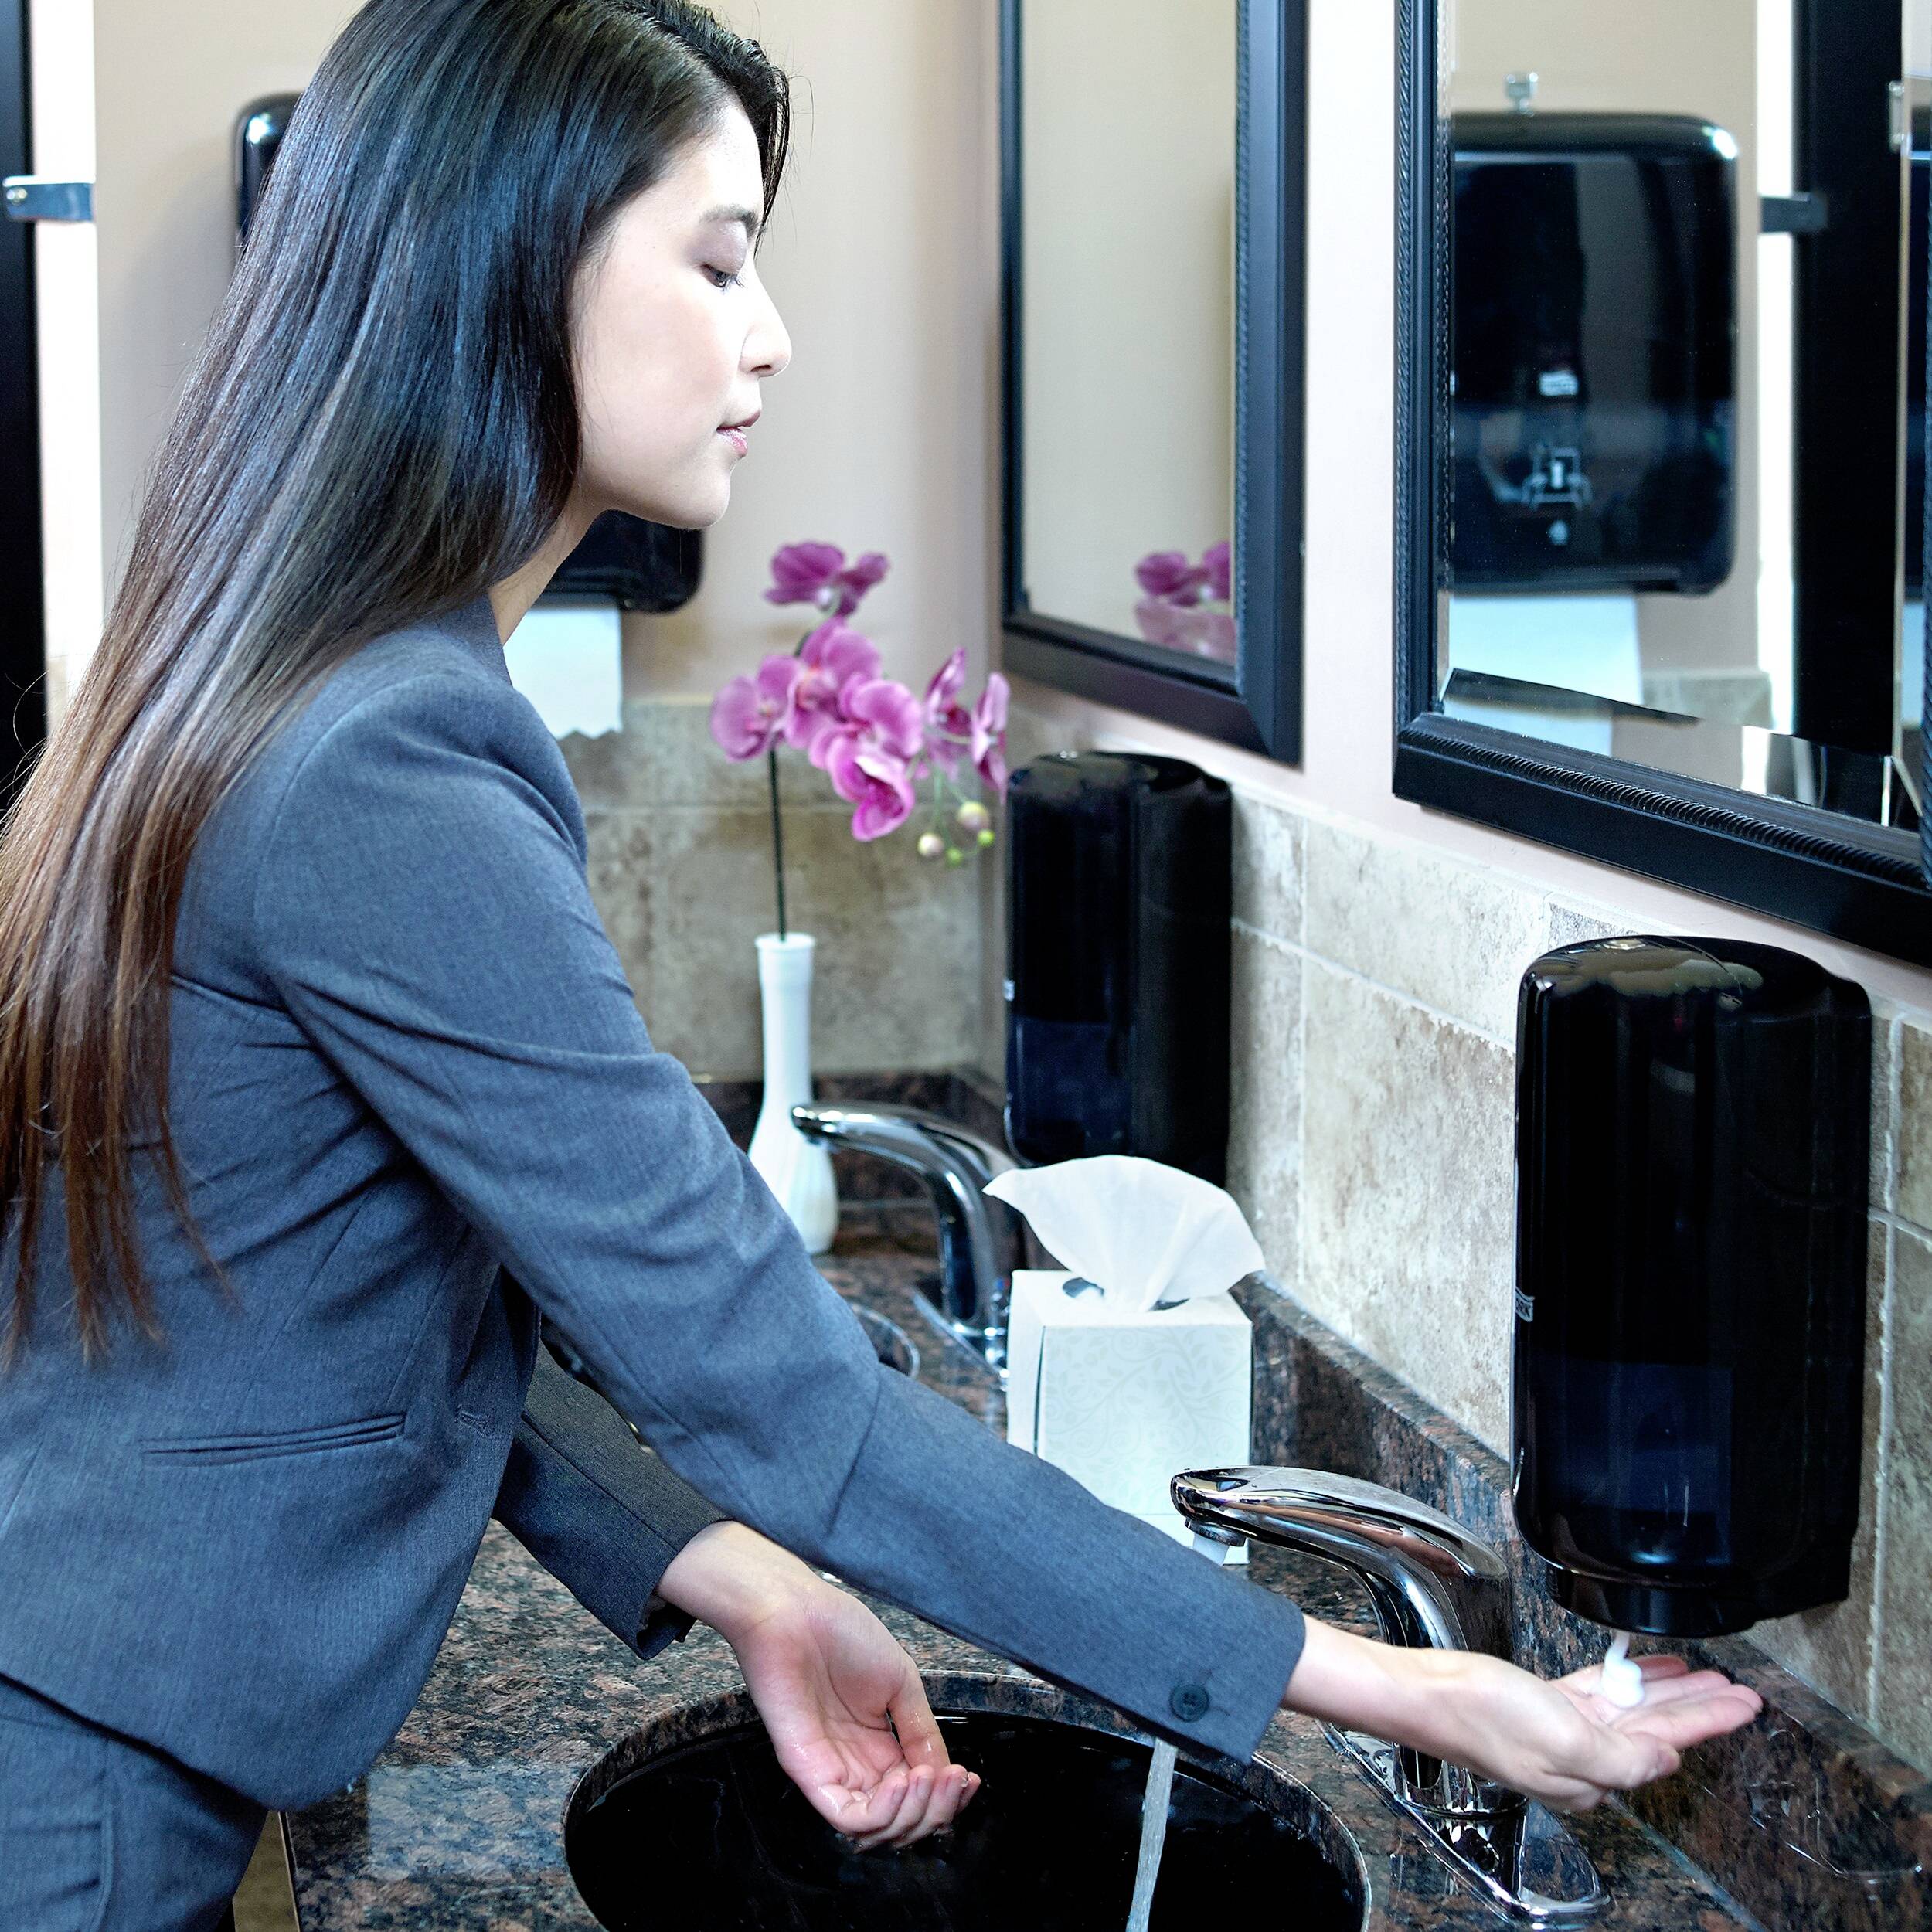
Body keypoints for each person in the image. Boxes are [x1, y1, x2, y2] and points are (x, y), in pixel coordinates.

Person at [0, 2, 1763, 1923]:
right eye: (717, 257)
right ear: (509, 262)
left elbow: (352, 1290)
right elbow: (784, 1390)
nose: (765, 336)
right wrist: (1408, 1687)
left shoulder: (315, 679)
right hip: (79, 1779)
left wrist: (742, 1572)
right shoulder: (391, 761)